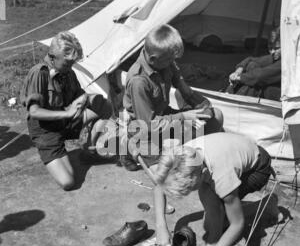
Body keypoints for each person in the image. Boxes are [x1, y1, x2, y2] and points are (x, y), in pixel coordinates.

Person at [150, 132, 282, 246]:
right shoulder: (181, 156)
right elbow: (159, 185)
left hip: (257, 168)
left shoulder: (222, 176)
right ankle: (214, 240)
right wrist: (161, 227)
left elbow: (238, 224)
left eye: (189, 189)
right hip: (235, 153)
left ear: (202, 173)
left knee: (217, 207)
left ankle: (267, 204)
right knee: (212, 208)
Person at [122, 24, 224, 170]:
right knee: (165, 176)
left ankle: (177, 146)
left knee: (216, 117)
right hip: (146, 130)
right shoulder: (139, 81)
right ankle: (129, 146)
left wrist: (202, 106)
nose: (172, 63)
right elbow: (149, 124)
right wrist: (183, 116)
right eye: (169, 60)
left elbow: (184, 89)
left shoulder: (165, 61)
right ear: (153, 59)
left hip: (165, 117)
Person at [21, 31, 112, 190]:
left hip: (65, 122)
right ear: (52, 57)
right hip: (46, 131)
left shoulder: (67, 72)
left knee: (104, 105)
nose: (70, 67)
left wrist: (87, 98)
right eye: (66, 63)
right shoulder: (38, 73)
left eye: (72, 63)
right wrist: (67, 113)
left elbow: (79, 94)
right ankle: (55, 154)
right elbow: (34, 112)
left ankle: (88, 151)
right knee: (68, 182)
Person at [227, 27, 281, 101]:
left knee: (256, 82)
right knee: (252, 65)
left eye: (276, 48)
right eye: (270, 48)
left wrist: (239, 78)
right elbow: (250, 59)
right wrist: (238, 71)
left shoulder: (290, 62)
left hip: (286, 98)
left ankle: (235, 100)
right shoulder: (276, 55)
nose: (272, 52)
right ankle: (234, 98)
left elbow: (260, 76)